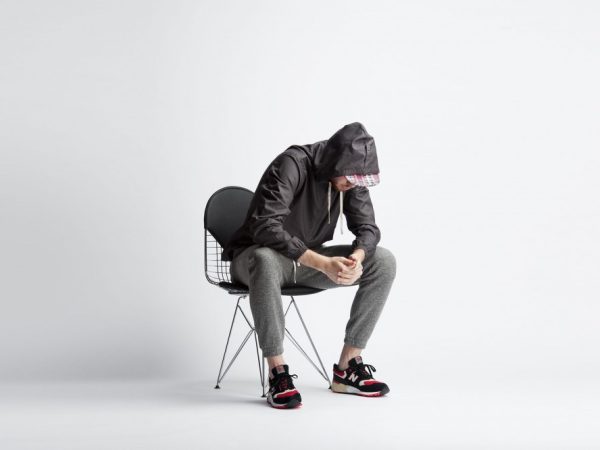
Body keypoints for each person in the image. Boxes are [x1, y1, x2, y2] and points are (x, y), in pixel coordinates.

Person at [221, 122, 396, 409]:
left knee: (384, 261)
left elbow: (368, 228)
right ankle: (278, 372)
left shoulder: (350, 181)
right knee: (264, 258)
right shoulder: (292, 164)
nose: (353, 184)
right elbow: (265, 226)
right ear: (336, 161)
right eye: (350, 177)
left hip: (305, 261)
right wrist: (322, 263)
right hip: (255, 258)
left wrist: (358, 257)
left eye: (359, 179)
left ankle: (347, 368)